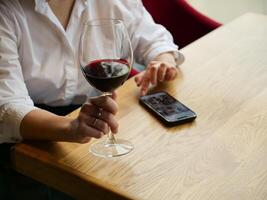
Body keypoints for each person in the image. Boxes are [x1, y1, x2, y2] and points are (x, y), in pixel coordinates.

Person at [0, 0, 184, 199]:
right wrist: (72, 128)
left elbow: (153, 38)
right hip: (30, 133)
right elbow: (7, 107)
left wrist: (163, 61)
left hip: (93, 114)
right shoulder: (6, 11)